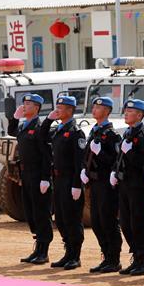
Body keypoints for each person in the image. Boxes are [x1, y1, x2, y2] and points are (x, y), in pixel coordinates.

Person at [7, 93, 53, 264]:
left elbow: (46, 155)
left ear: (36, 108)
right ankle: (38, 247)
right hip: (26, 175)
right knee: (31, 212)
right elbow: (12, 131)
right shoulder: (24, 126)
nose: (24, 106)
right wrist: (14, 118)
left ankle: (43, 251)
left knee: (41, 212)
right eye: (24, 104)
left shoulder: (40, 127)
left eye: (28, 104)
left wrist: (45, 177)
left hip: (38, 175)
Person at [81, 97, 123, 273]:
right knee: (97, 222)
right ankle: (106, 256)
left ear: (107, 111)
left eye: (98, 107)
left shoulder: (112, 135)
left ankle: (114, 259)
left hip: (107, 183)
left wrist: (101, 154)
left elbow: (116, 160)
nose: (94, 110)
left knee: (108, 220)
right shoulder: (94, 131)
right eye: (94, 107)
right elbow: (87, 154)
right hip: (94, 182)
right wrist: (84, 169)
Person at [113, 99, 144, 276]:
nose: (126, 113)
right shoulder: (128, 133)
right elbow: (120, 158)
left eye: (130, 111)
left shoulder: (143, 136)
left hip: (138, 186)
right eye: (126, 111)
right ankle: (136, 257)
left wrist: (130, 152)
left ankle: (143, 261)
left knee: (138, 223)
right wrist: (115, 171)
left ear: (139, 115)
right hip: (125, 184)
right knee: (126, 223)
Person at [46, 95, 86, 270]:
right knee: (61, 219)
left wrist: (77, 184)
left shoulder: (76, 132)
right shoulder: (58, 130)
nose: (57, 110)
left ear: (70, 110)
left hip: (70, 180)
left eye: (61, 108)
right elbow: (41, 137)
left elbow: (79, 162)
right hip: (58, 180)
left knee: (72, 219)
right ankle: (68, 252)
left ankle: (75, 256)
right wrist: (48, 120)